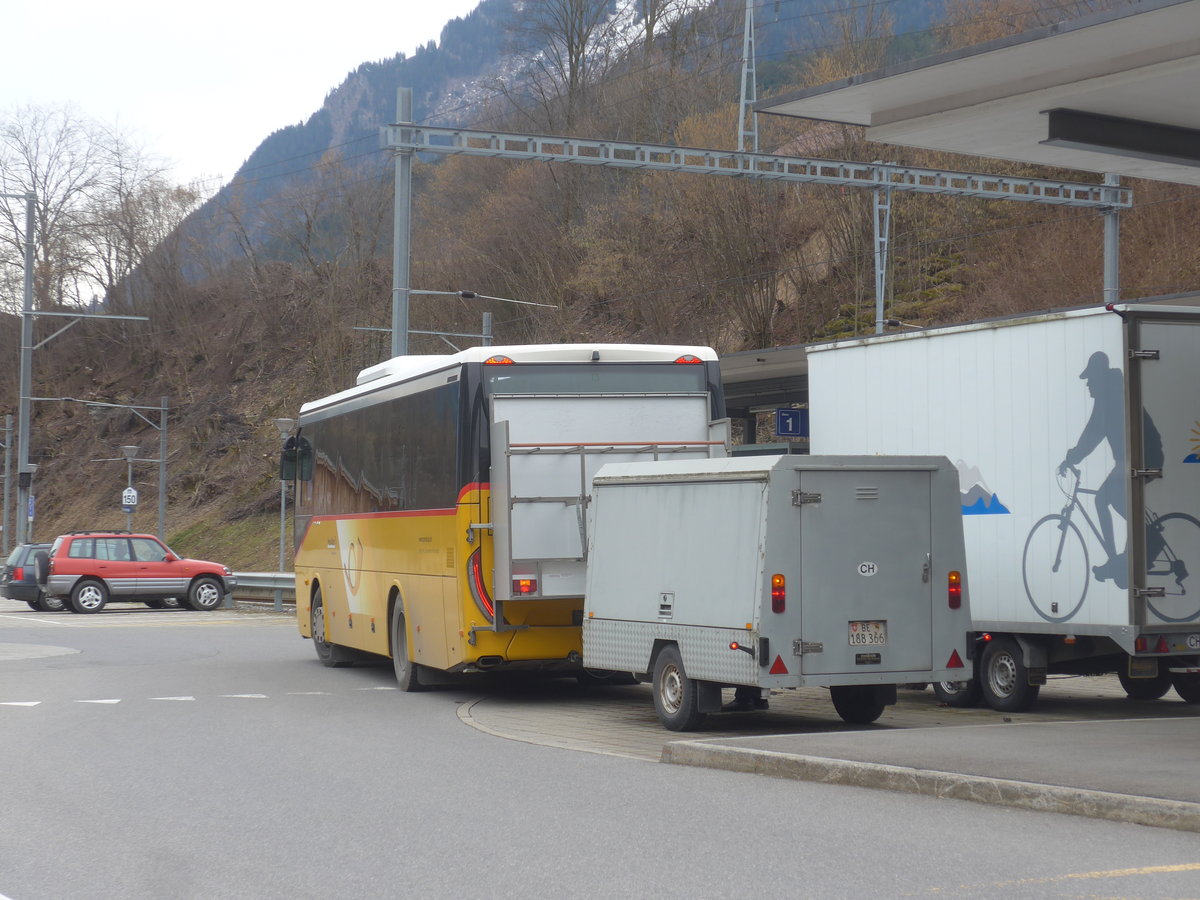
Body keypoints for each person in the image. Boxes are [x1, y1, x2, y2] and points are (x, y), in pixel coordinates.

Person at [1059, 351, 1162, 589]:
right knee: (1108, 499)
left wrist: (1072, 457)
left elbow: (1093, 433)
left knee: (1104, 498)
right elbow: (1093, 433)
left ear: (1098, 376)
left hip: (1140, 457)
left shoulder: (1110, 396)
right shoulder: (1113, 392)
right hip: (1134, 459)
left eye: (1089, 379)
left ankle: (1126, 554)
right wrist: (1074, 456)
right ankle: (1122, 558)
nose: (1087, 384)